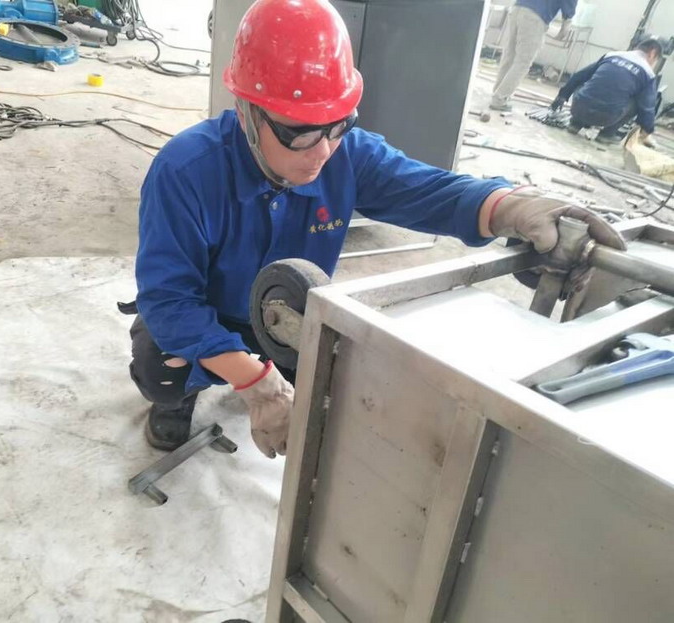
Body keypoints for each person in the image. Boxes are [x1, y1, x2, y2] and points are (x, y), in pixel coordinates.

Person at [126, 0, 624, 457]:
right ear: (245, 111)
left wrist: (509, 208)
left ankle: (271, 366)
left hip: (291, 312)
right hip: (209, 315)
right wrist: (257, 384)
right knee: (161, 367)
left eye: (337, 125)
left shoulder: (349, 155)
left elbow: (428, 190)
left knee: (343, 379)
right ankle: (183, 396)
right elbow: (169, 300)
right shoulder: (186, 172)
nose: (323, 151)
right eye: (300, 132)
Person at [551, 38, 662, 147]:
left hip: (578, 109)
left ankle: (575, 124)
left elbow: (578, 76)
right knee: (638, 101)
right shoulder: (648, 73)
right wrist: (647, 131)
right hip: (607, 117)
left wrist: (562, 96)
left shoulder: (611, 55)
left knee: (587, 81)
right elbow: (647, 108)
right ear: (652, 53)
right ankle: (606, 135)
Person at [491, 0, 578, 112]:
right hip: (534, 17)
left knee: (509, 56)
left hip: (517, 8)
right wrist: (566, 23)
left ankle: (497, 93)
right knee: (523, 62)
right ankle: (499, 99)